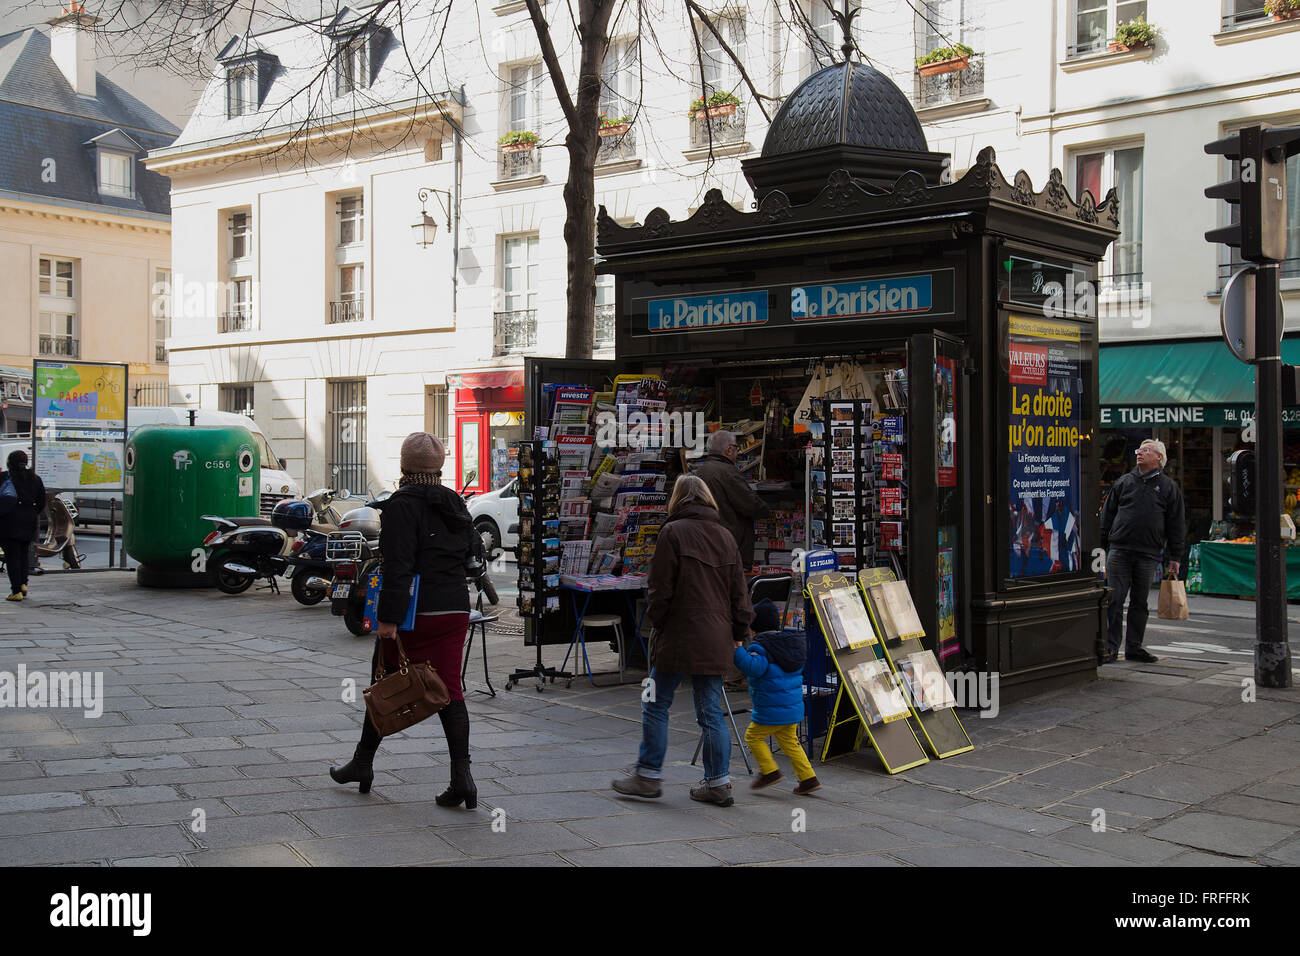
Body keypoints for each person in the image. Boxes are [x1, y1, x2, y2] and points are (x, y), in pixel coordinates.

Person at [330, 432, 478, 808]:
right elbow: (474, 553)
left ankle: (363, 763)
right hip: (455, 608)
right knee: (449, 690)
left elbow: (398, 566)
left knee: (383, 680)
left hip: (417, 613)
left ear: (404, 467)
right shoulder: (456, 503)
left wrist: (388, 619)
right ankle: (462, 779)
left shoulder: (400, 506)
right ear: (439, 467)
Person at [611, 475, 753, 807]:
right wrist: (738, 632)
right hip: (716, 637)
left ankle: (647, 775)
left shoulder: (672, 533)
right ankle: (719, 783)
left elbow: (660, 589)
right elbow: (740, 595)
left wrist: (657, 623)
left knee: (655, 702)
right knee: (711, 711)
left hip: (679, 635)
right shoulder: (725, 536)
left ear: (678, 500)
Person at [1099, 438, 1186, 664]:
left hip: (1148, 552)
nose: (1140, 453)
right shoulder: (1125, 481)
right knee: (1115, 600)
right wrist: (1100, 546)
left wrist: (1175, 557)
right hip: (1119, 549)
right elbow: (1107, 514)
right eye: (1139, 449)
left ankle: (1134, 647)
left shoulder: (1168, 487)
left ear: (1159, 458)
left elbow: (1176, 524)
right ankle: (1111, 647)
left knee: (1140, 602)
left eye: (1147, 450)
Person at [733, 599, 820, 794]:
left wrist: (738, 649)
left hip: (772, 710)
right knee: (791, 743)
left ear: (755, 628)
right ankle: (809, 778)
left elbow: (754, 668)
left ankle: (769, 771)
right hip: (792, 708)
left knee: (753, 737)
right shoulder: (789, 645)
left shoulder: (760, 647)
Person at [692, 429, 769, 570]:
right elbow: (750, 504)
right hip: (730, 546)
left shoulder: (700, 471)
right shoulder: (728, 472)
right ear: (728, 450)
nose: (737, 452)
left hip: (707, 543)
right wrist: (766, 511)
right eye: (736, 448)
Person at [0, 449, 46, 601]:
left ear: (9, 463)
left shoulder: (5, 477)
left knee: (12, 556)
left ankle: (16, 591)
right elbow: (41, 502)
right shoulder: (35, 479)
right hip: (29, 519)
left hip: (9, 520)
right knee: (23, 553)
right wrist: (31, 512)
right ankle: (23, 584)